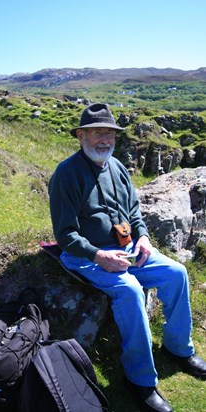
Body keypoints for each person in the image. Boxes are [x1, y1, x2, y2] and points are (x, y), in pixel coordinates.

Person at [48, 103, 206, 412]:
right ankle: (140, 380)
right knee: (130, 290)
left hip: (129, 248)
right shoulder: (66, 174)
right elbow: (65, 235)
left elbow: (133, 213)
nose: (104, 140)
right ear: (80, 136)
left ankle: (177, 348)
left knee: (176, 273)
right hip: (85, 255)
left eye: (109, 133)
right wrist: (99, 255)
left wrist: (144, 237)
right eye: (96, 133)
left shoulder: (117, 167)